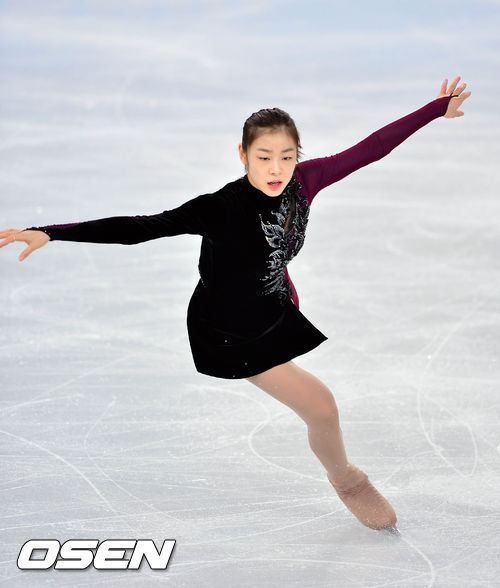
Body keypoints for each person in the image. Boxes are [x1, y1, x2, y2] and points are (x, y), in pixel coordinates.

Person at [0, 76, 471, 532]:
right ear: (243, 155)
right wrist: (52, 232)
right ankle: (346, 480)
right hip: (229, 330)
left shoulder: (306, 182)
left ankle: (341, 470)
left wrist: (435, 110)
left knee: (319, 403)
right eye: (264, 157)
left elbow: (372, 148)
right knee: (323, 407)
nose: (276, 169)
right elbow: (142, 227)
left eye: (287, 156)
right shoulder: (221, 207)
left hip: (274, 304)